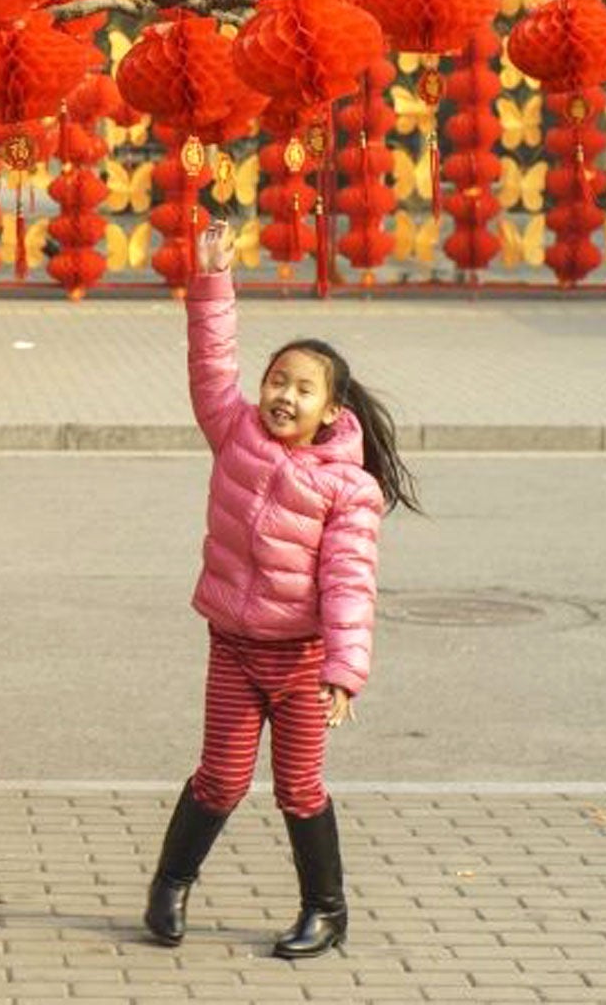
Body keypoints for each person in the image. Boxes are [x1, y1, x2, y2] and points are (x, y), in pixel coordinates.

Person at [142, 218, 420, 959]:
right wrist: (211, 280)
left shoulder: (348, 490)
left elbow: (349, 581)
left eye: (302, 388)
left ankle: (326, 911)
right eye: (276, 381)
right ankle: (170, 885)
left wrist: (343, 671)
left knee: (300, 788)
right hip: (233, 647)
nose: (282, 395)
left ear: (332, 410)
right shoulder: (233, 430)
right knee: (221, 779)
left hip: (300, 661)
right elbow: (210, 363)